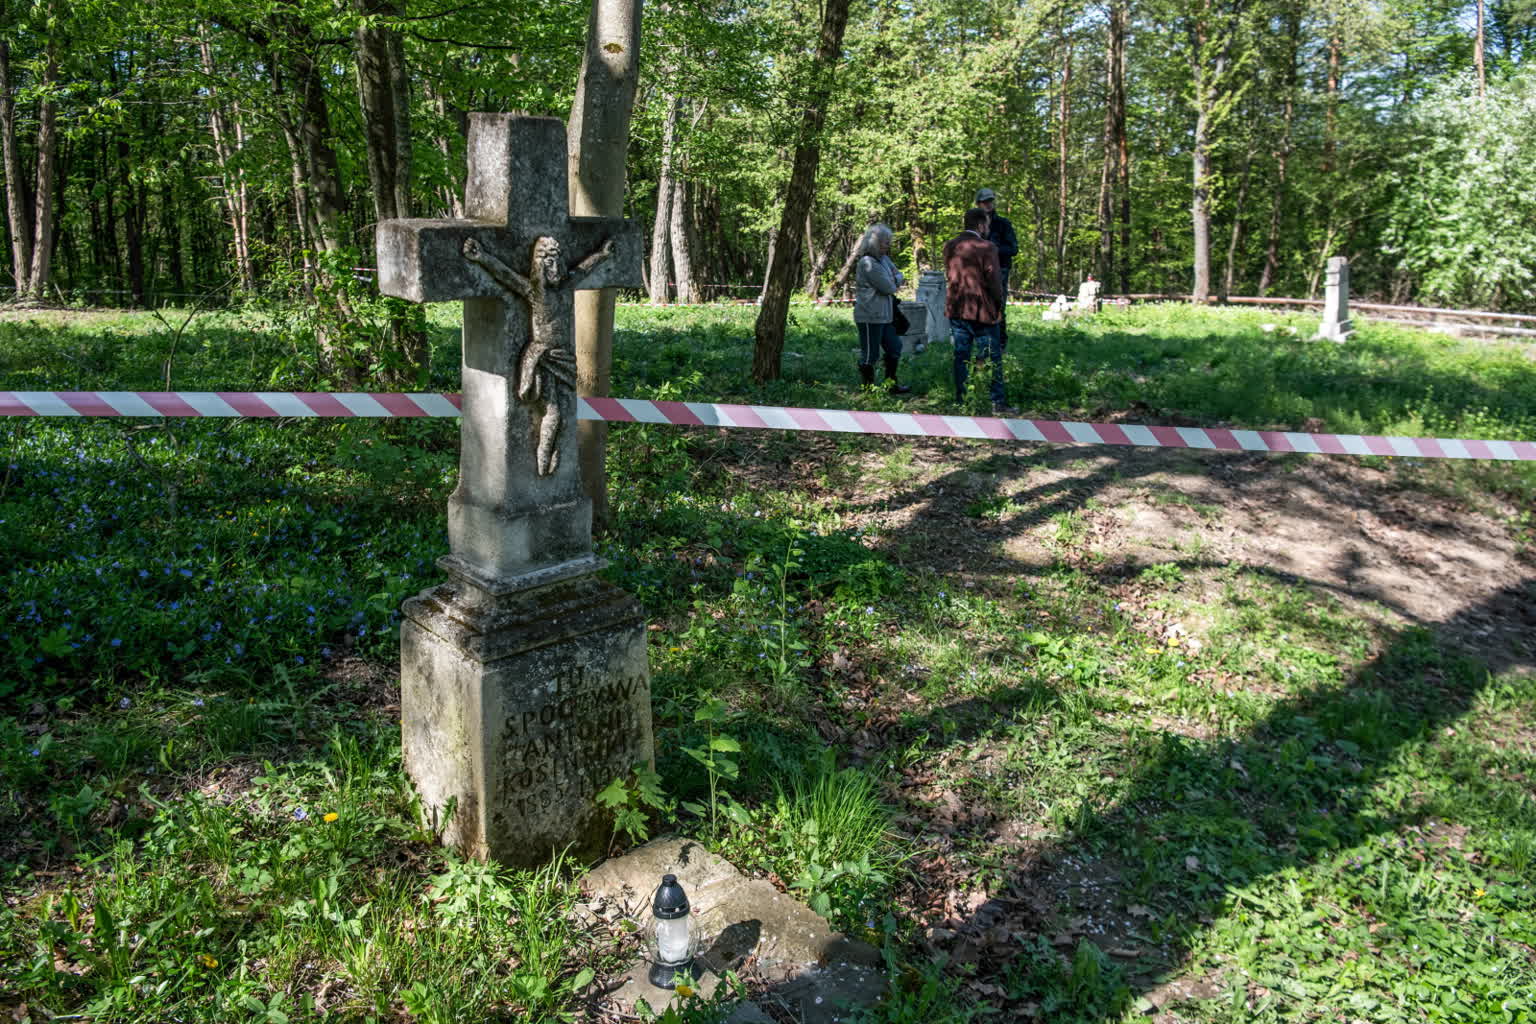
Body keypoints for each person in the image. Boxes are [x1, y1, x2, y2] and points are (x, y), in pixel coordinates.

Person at [943, 208, 1014, 414]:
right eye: (987, 225)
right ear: (981, 225)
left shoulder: (950, 246)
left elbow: (950, 275)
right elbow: (995, 281)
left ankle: (962, 399)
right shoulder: (987, 247)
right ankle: (996, 401)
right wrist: (998, 305)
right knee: (992, 356)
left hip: (956, 308)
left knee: (961, 355)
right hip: (982, 310)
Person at [853, 223, 910, 394]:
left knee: (895, 347)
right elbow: (889, 287)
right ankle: (868, 389)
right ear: (875, 243)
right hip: (869, 315)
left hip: (886, 314)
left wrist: (895, 278)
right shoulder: (867, 263)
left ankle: (891, 384)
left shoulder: (884, 259)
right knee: (871, 354)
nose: (889, 245)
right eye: (886, 242)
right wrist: (895, 279)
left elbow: (898, 275)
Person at [974, 188, 1018, 350]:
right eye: (984, 201)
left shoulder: (1003, 224)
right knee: (978, 308)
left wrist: (992, 249)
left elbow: (1013, 249)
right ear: (978, 204)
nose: (988, 204)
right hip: (978, 272)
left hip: (1000, 271)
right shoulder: (973, 224)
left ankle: (1000, 346)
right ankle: (982, 346)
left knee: (998, 307)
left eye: (990, 201)